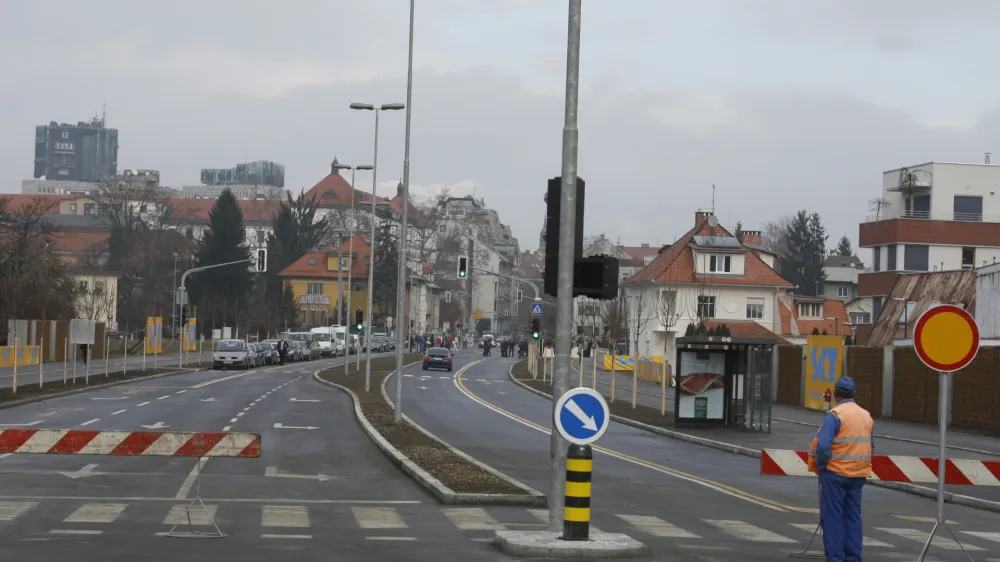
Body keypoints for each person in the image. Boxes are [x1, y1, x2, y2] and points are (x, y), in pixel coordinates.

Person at [807, 376, 874, 562]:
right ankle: (853, 558)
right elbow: (871, 446)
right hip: (858, 474)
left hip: (835, 474)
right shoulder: (866, 416)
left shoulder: (835, 415)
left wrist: (821, 466)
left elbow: (822, 447)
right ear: (854, 393)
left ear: (836, 395)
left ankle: (835, 558)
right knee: (853, 516)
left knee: (833, 517)